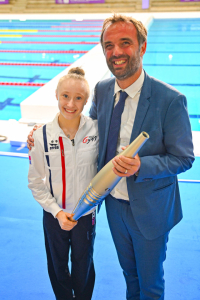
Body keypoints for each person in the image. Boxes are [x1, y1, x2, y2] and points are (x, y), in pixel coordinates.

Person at [28, 14, 195, 300]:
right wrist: (43, 131)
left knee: (151, 285)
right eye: (109, 45)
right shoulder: (103, 90)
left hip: (150, 209)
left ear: (142, 47)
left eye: (125, 43)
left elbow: (184, 158)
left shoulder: (170, 99)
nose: (116, 52)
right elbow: (87, 129)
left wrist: (142, 165)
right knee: (130, 276)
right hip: (114, 206)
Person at [28, 67, 99, 300]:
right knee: (58, 266)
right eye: (65, 96)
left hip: (85, 214)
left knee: (84, 265)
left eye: (79, 98)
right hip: (54, 215)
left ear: (86, 101)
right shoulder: (41, 136)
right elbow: (36, 183)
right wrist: (57, 212)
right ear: (57, 96)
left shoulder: (96, 131)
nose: (71, 103)